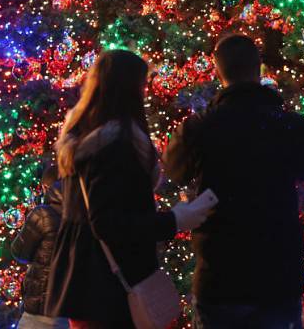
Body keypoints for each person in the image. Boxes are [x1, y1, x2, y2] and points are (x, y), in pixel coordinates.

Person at [163, 34, 304, 329]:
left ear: (218, 70)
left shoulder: (202, 127)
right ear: (259, 69)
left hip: (220, 275)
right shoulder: (286, 125)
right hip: (276, 275)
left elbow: (174, 170)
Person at [45, 49, 211, 328]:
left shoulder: (81, 137)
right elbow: (110, 223)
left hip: (82, 276)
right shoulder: (116, 145)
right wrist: (176, 219)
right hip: (108, 285)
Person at [11, 164, 69, 329]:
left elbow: (19, 252)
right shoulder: (83, 212)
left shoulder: (43, 214)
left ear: (46, 187)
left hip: (41, 310)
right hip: (72, 309)